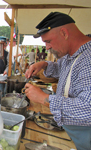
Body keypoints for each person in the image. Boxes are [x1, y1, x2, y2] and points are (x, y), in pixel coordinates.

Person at [24, 12, 91, 150]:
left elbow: (88, 109)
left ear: (64, 33)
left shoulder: (88, 59)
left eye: (48, 41)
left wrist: (44, 99)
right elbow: (62, 68)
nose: (47, 47)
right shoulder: (70, 54)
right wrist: (44, 64)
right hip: (69, 132)